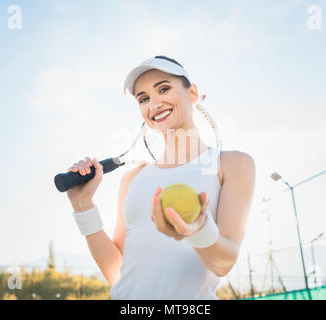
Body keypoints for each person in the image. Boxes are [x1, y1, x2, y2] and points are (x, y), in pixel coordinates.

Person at [65, 56, 256, 299]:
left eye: (164, 88)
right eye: (143, 98)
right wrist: (83, 207)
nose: (153, 104)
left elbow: (223, 264)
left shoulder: (233, 164)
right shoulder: (132, 178)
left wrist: (197, 231)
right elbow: (117, 273)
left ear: (193, 93)